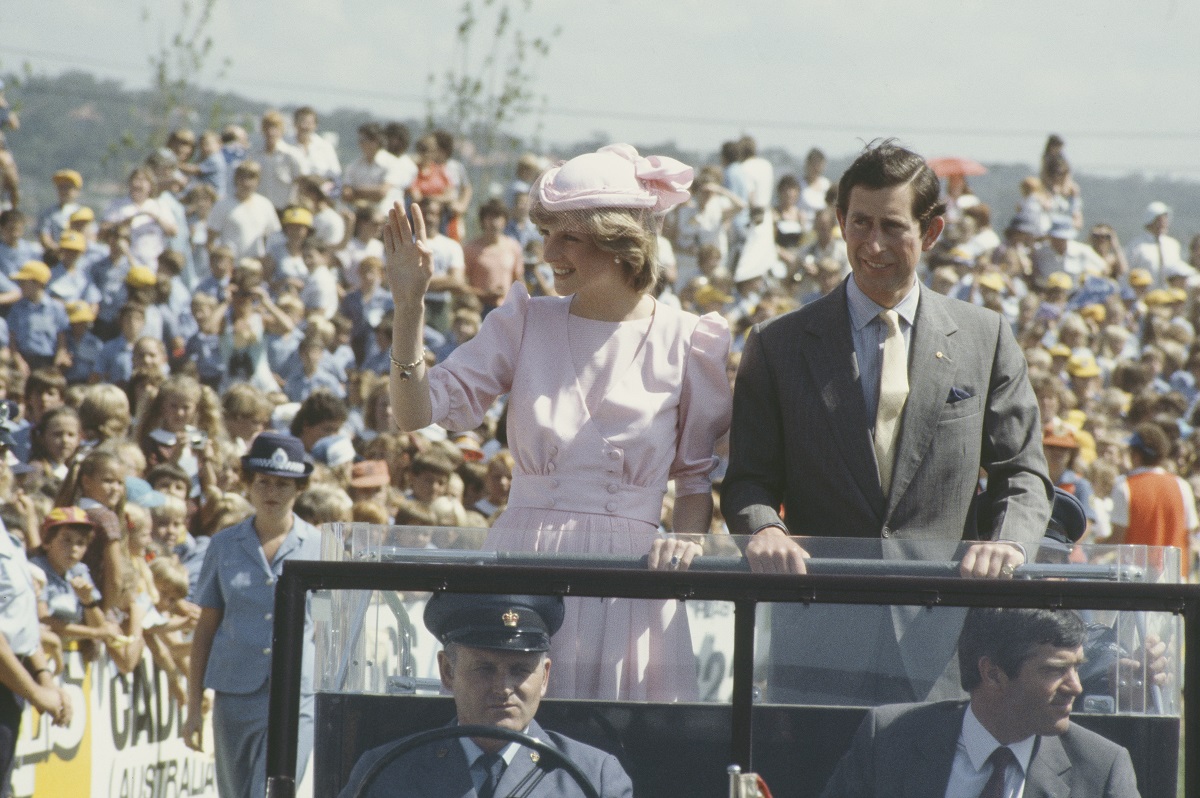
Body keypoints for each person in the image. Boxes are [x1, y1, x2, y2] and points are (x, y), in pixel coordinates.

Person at [385, 143, 732, 701]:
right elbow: (414, 412)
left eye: (568, 236)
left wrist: (687, 544)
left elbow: (695, 481)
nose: (547, 251)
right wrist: (409, 308)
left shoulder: (691, 339)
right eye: (546, 233)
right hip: (521, 568)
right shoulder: (524, 320)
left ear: (621, 241)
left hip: (632, 586)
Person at [721, 141, 1053, 702]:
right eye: (860, 223)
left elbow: (1023, 473)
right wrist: (764, 529)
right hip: (819, 635)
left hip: (942, 640)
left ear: (932, 232)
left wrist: (1009, 546)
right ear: (839, 223)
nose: (872, 245)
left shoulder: (985, 337)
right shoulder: (777, 345)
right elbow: (748, 480)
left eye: (893, 227)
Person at [818, 607, 1140, 798]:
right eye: (1055, 670)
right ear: (993, 674)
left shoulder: (1102, 770)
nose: (1075, 686)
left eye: (1077, 667)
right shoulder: (889, 739)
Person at [338, 593, 634, 798]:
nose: (502, 687)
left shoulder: (593, 777)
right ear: (447, 672)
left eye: (519, 670)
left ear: (544, 677)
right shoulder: (387, 770)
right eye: (484, 668)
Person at [183, 432, 321, 798]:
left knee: (274, 792)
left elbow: (328, 628)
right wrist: (193, 707)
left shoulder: (320, 547)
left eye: (283, 484)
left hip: (296, 694)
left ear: (300, 489)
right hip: (235, 693)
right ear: (247, 484)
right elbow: (205, 630)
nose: (272, 492)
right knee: (235, 792)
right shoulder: (224, 544)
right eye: (263, 482)